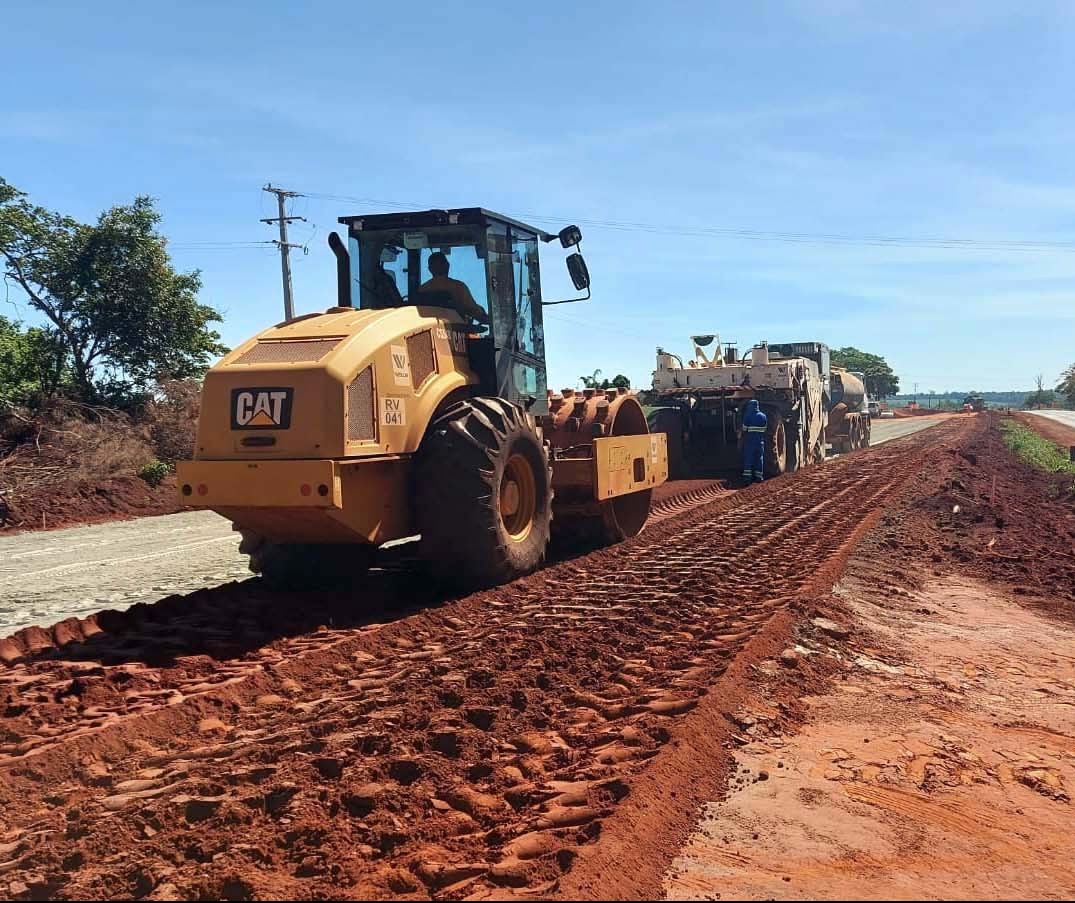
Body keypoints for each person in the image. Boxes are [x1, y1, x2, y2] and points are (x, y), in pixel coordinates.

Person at [418, 252, 490, 324]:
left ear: (430, 269)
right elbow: (474, 311)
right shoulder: (458, 287)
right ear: (447, 266)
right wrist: (486, 318)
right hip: (457, 329)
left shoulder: (422, 290)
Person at [742, 398, 767, 483]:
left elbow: (744, 428)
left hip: (750, 442)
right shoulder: (763, 416)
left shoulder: (748, 416)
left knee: (748, 458)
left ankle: (747, 478)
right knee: (759, 459)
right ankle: (759, 477)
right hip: (760, 441)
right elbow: (765, 428)